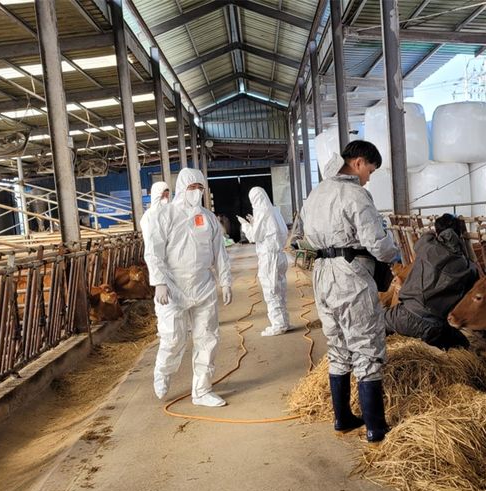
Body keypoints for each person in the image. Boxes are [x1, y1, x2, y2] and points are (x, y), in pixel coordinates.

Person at [299, 140, 400, 443]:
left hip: (322, 275)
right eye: (370, 169)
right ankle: (375, 427)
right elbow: (376, 243)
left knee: (338, 346)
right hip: (350, 274)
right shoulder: (356, 194)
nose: (369, 176)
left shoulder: (315, 195)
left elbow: (302, 238)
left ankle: (342, 418)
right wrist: (394, 254)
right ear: (357, 163)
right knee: (366, 344)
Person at [143, 168, 233, 407]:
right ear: (182, 188)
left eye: (200, 188)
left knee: (207, 338)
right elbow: (154, 251)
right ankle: (162, 374)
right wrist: (159, 282)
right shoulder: (166, 215)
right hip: (173, 287)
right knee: (173, 339)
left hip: (203, 285)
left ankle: (202, 390)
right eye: (192, 187)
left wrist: (225, 280)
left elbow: (219, 252)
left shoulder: (209, 218)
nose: (196, 192)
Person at [384, 214, 478, 350]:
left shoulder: (426, 246)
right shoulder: (469, 268)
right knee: (463, 344)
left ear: (437, 232)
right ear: (460, 235)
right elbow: (471, 286)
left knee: (374, 322)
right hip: (434, 328)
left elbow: (425, 237)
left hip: (403, 317)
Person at [236, 187, 289, 336]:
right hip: (280, 256)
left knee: (271, 291)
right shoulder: (274, 210)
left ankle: (278, 325)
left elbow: (254, 237)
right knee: (281, 291)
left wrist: (246, 225)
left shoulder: (261, 212)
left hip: (269, 258)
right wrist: (254, 222)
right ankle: (284, 321)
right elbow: (276, 231)